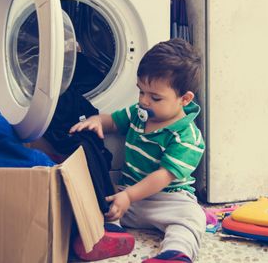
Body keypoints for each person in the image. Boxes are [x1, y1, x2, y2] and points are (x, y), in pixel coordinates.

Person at [70, 38, 206, 263]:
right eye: (141, 91)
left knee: (192, 218)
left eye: (155, 97)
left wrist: (128, 196)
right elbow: (113, 122)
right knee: (103, 201)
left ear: (185, 99)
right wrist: (97, 121)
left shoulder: (187, 137)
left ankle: (174, 254)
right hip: (128, 198)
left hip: (168, 200)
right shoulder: (138, 113)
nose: (144, 101)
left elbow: (162, 177)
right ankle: (108, 236)